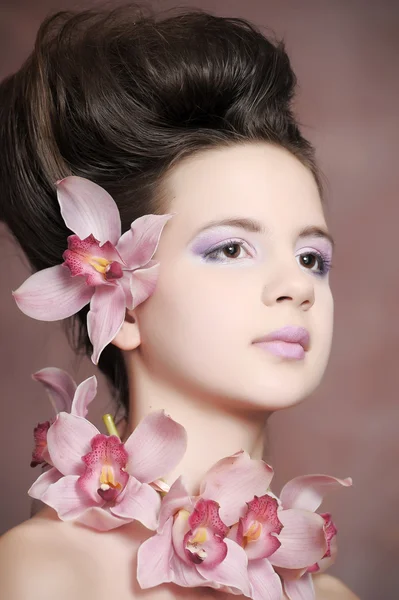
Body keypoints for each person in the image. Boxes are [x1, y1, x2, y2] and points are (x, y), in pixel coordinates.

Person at [0, 4, 359, 599]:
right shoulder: (40, 575)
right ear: (124, 305)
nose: (296, 287)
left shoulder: (331, 595)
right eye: (230, 249)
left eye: (311, 258)